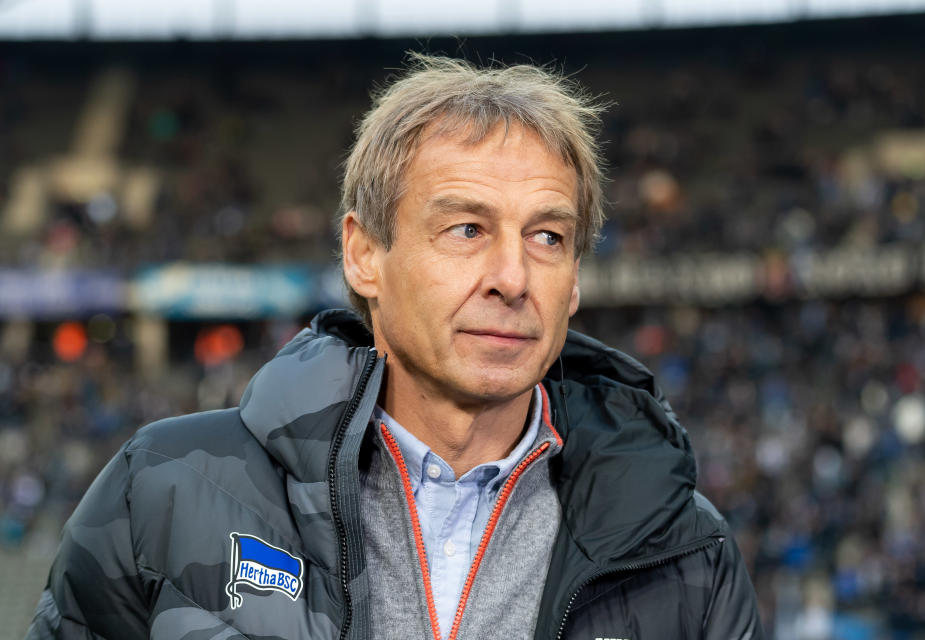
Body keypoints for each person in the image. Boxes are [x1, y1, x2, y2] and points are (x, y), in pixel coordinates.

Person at [27, 54, 762, 640]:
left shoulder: (683, 552)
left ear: (574, 281)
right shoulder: (165, 489)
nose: (512, 277)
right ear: (364, 254)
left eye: (548, 237)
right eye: (467, 229)